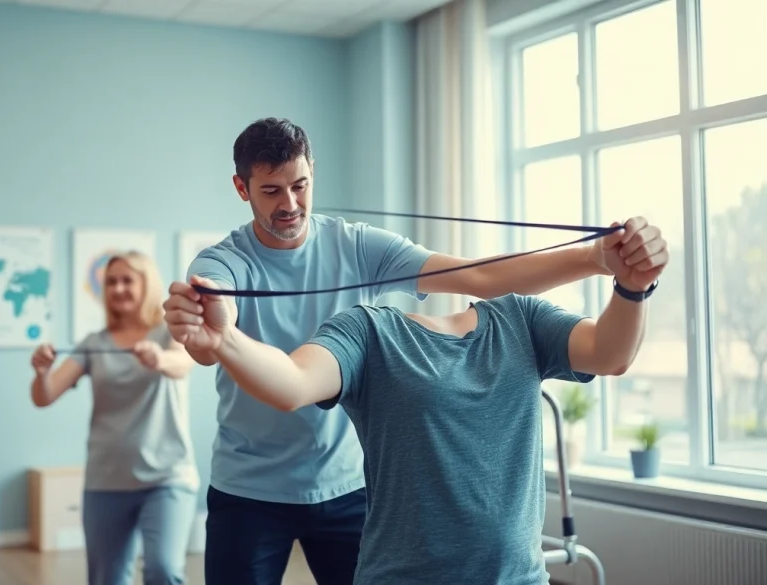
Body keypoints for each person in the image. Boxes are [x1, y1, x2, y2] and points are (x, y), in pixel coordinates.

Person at [162, 117, 669, 585]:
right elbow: (210, 342)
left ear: (313, 173)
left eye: (300, 186)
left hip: (345, 485)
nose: (289, 204)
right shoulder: (225, 261)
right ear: (241, 188)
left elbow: (478, 276)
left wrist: (596, 259)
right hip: (251, 489)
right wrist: (214, 327)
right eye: (271, 191)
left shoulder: (357, 244)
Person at [30, 251, 200, 585]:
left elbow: (182, 365)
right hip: (107, 480)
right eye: (111, 282)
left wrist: (159, 358)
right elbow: (45, 396)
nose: (118, 288)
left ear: (146, 284)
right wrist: (41, 373)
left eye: (127, 280)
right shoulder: (93, 344)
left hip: (168, 477)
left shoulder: (169, 333)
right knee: (107, 578)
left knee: (164, 570)